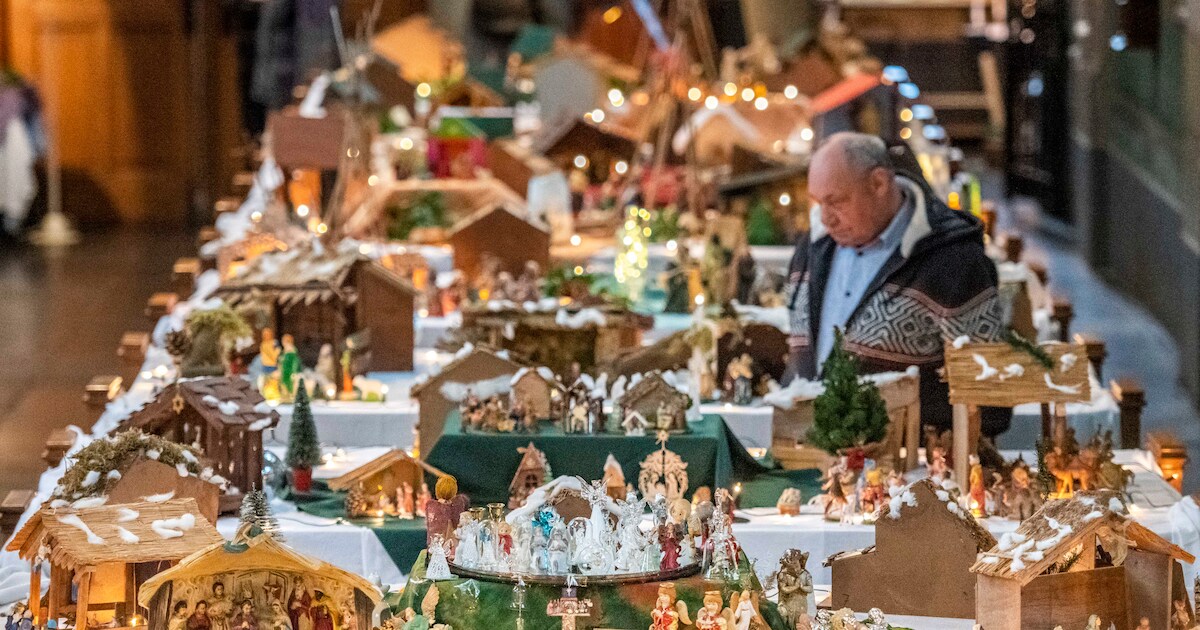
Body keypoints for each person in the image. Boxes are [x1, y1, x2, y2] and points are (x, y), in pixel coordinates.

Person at [785, 132, 1006, 436]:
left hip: (911, 459)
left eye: (835, 201)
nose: (825, 218)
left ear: (878, 183)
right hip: (810, 451)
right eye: (818, 202)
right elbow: (802, 359)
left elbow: (989, 399)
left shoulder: (952, 261)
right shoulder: (813, 247)